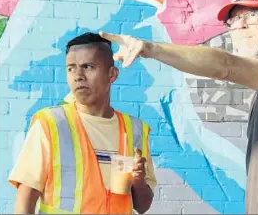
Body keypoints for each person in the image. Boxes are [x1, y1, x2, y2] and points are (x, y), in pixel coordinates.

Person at [99, 0, 258, 214]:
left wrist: (151, 48)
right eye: (232, 20)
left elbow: (226, 66)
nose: (239, 25)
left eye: (251, 15)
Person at [8, 33, 157, 214]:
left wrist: (138, 180)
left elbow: (142, 206)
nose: (78, 76)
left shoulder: (135, 130)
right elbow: (26, 197)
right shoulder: (51, 124)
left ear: (112, 74)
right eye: (71, 68)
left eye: (88, 66)